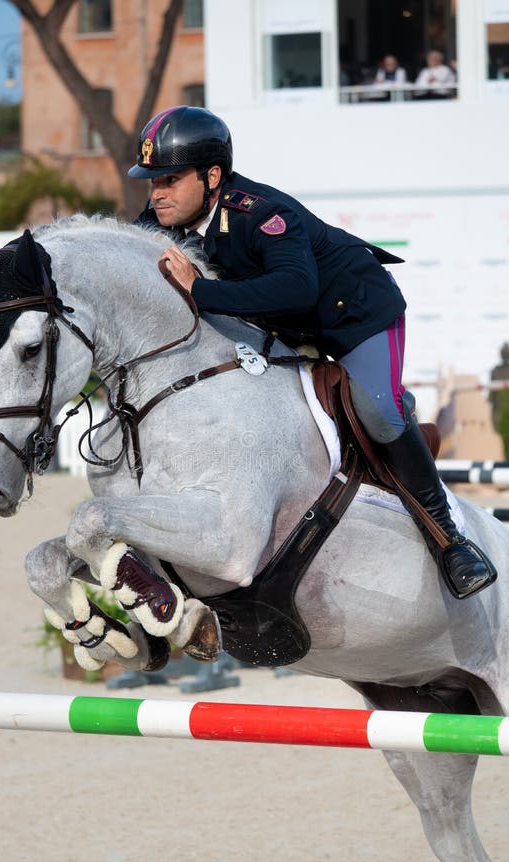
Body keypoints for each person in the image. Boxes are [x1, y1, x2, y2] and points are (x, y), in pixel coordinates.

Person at [128, 105, 496, 599]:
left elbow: (297, 288)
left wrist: (201, 292)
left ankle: (449, 539)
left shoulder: (261, 213)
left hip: (354, 316)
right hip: (284, 326)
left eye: (170, 180)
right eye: (152, 183)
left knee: (379, 413)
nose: (157, 194)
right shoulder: (163, 219)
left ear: (212, 176)